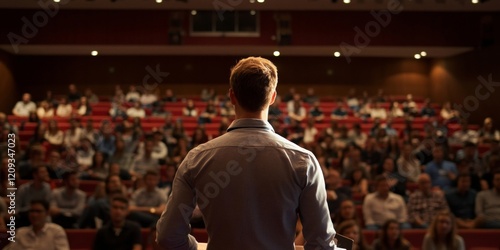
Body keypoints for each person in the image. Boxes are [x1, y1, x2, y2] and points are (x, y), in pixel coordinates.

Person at [156, 57, 336, 249]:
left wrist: (199, 247)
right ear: (273, 97)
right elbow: (321, 243)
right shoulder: (303, 160)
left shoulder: (197, 158)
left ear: (232, 96)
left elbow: (168, 237)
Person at [4, 200, 70, 250]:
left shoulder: (56, 231)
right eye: (32, 211)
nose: (34, 215)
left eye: (38, 211)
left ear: (47, 213)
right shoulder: (21, 232)